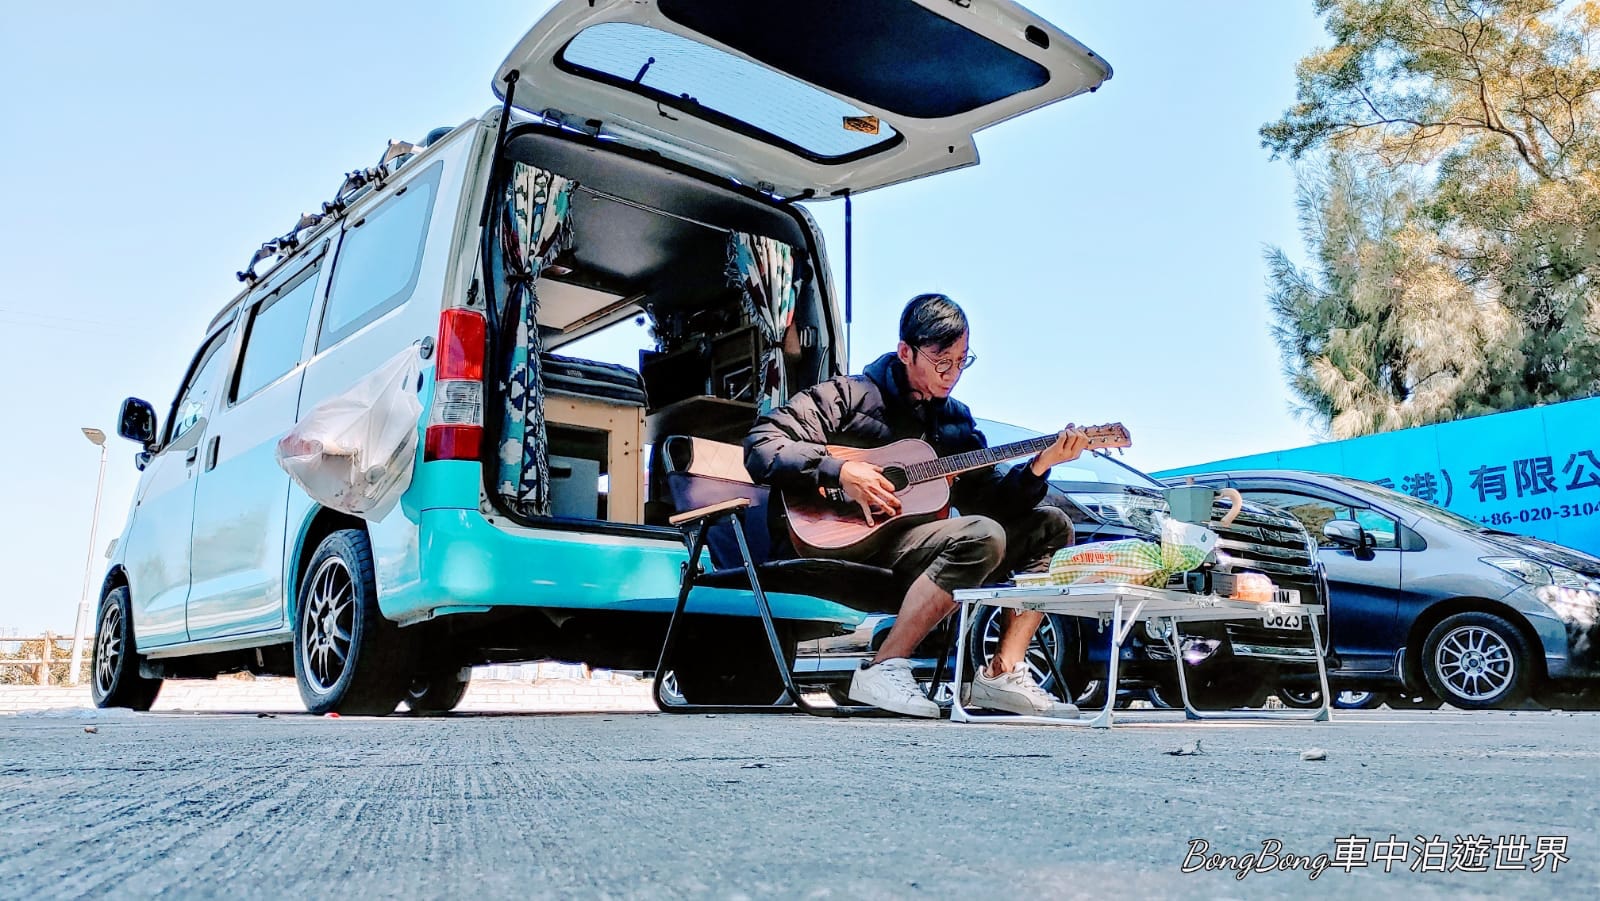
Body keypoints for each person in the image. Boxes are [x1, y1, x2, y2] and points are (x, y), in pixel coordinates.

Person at [744, 293, 1089, 717]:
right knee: (980, 535)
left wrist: (1038, 468)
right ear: (906, 352)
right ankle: (884, 667)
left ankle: (1002, 672)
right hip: (836, 538)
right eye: (942, 361)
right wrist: (841, 472)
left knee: (1051, 525)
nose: (952, 374)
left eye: (962, 362)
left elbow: (993, 502)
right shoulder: (847, 396)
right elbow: (761, 446)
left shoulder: (956, 422)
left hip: (914, 545)